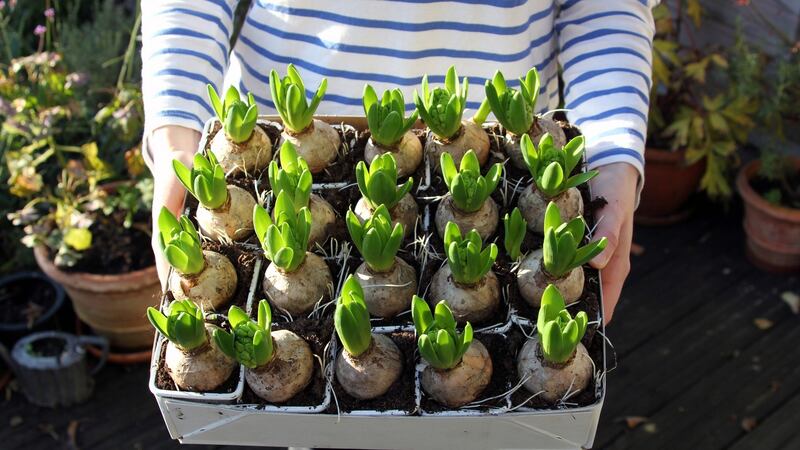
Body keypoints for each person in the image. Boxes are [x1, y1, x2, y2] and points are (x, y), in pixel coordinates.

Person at [142, 0, 656, 324]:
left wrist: (611, 154)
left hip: (508, 144)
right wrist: (176, 134)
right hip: (269, 138)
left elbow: (606, 6)